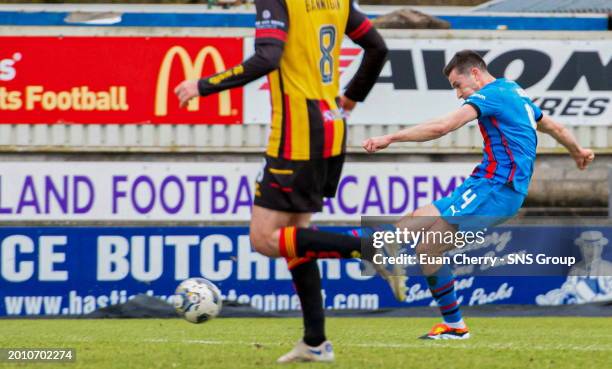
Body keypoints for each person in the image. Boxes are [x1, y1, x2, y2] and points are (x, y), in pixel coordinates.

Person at [175, 0, 393, 362]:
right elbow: (377, 46)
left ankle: (368, 247)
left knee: (264, 239)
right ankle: (315, 341)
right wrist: (351, 98)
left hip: (297, 135)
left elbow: (267, 58)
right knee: (296, 237)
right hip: (332, 128)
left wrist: (203, 85)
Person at [362, 50, 595, 340]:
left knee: (427, 248)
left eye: (457, 85)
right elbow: (554, 127)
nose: (459, 95)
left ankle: (453, 325)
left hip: (496, 189)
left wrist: (389, 138)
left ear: (474, 73)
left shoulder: (492, 95)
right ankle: (385, 246)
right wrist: (578, 151)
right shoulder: (514, 91)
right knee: (416, 221)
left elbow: (442, 127)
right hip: (484, 185)